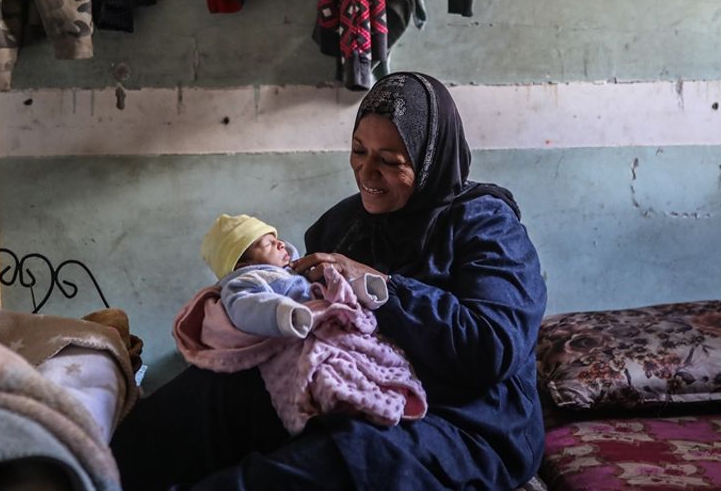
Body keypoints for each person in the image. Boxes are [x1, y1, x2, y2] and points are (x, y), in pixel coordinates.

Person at [110, 71, 547, 490]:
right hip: (348, 387)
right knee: (212, 396)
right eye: (359, 151)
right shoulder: (342, 225)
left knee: (348, 456)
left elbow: (492, 346)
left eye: (390, 161)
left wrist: (383, 287)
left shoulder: (486, 225)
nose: (366, 173)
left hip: (467, 421)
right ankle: (93, 474)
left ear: (432, 158)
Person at [199, 213, 388, 339]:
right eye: (268, 244)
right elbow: (246, 308)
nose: (280, 244)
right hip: (302, 327)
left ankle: (368, 292)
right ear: (245, 265)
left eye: (277, 239)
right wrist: (285, 314)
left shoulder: (296, 270)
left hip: (337, 316)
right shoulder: (247, 281)